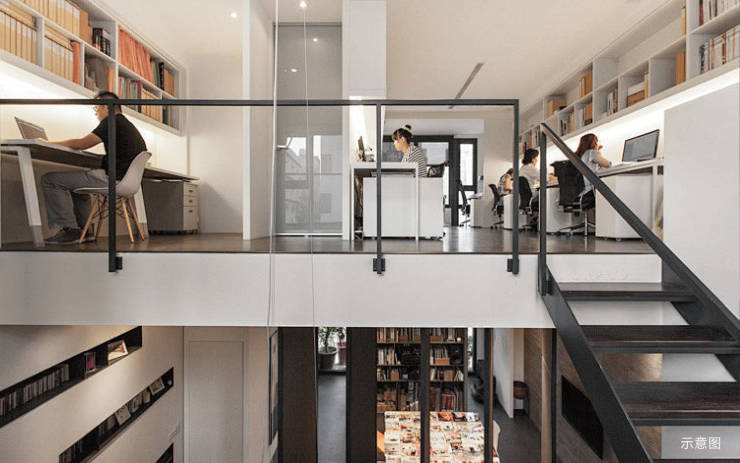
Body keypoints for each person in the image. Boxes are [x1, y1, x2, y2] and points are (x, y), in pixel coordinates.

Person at [41, 91, 148, 244]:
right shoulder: (127, 125)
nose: (96, 113)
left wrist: (47, 143)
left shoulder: (111, 121)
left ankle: (70, 231)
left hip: (114, 179)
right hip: (126, 181)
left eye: (96, 108)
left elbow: (81, 144)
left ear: (105, 106)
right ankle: (85, 231)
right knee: (78, 186)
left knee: (50, 180)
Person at [574, 133, 611, 206]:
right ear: (594, 143)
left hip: (577, 197)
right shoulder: (592, 152)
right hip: (588, 195)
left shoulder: (576, 156)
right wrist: (597, 151)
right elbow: (608, 164)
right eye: (596, 142)